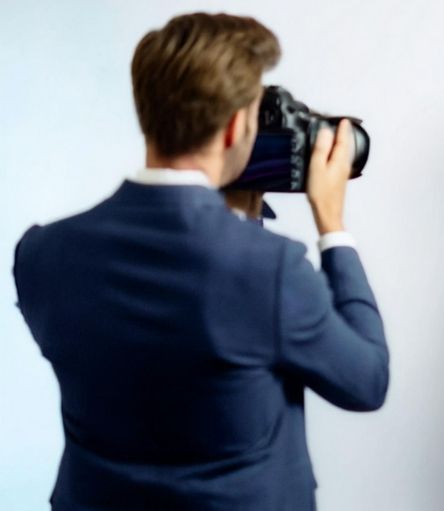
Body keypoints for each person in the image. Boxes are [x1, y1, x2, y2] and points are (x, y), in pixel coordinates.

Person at [13, 13, 388, 510]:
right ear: (237, 125)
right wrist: (332, 225)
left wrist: (235, 217)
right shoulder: (269, 269)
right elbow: (365, 381)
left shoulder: (42, 254)